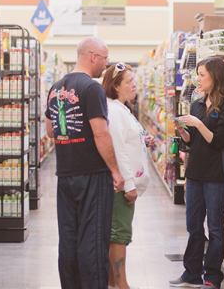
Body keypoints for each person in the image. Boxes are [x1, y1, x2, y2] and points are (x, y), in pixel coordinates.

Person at [45, 37, 125, 289]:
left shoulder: (56, 87)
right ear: (93, 56)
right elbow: (100, 133)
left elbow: (50, 130)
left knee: (68, 238)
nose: (106, 65)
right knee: (93, 238)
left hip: (66, 172)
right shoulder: (92, 88)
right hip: (92, 173)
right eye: (105, 59)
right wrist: (115, 170)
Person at [170, 58, 224, 289]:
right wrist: (183, 131)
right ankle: (191, 273)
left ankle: (212, 277)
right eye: (198, 74)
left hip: (216, 175)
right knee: (193, 225)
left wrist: (199, 124)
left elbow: (218, 141)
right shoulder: (197, 104)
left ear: (216, 77)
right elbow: (192, 142)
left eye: (202, 75)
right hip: (196, 172)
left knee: (215, 227)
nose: (197, 79)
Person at [101, 62, 154, 289]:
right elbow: (117, 149)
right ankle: (121, 284)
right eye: (129, 82)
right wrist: (128, 184)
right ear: (115, 86)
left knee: (119, 230)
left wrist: (142, 140)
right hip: (120, 185)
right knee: (119, 233)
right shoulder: (113, 109)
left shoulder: (122, 108)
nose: (134, 85)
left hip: (125, 182)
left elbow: (126, 140)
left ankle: (114, 282)